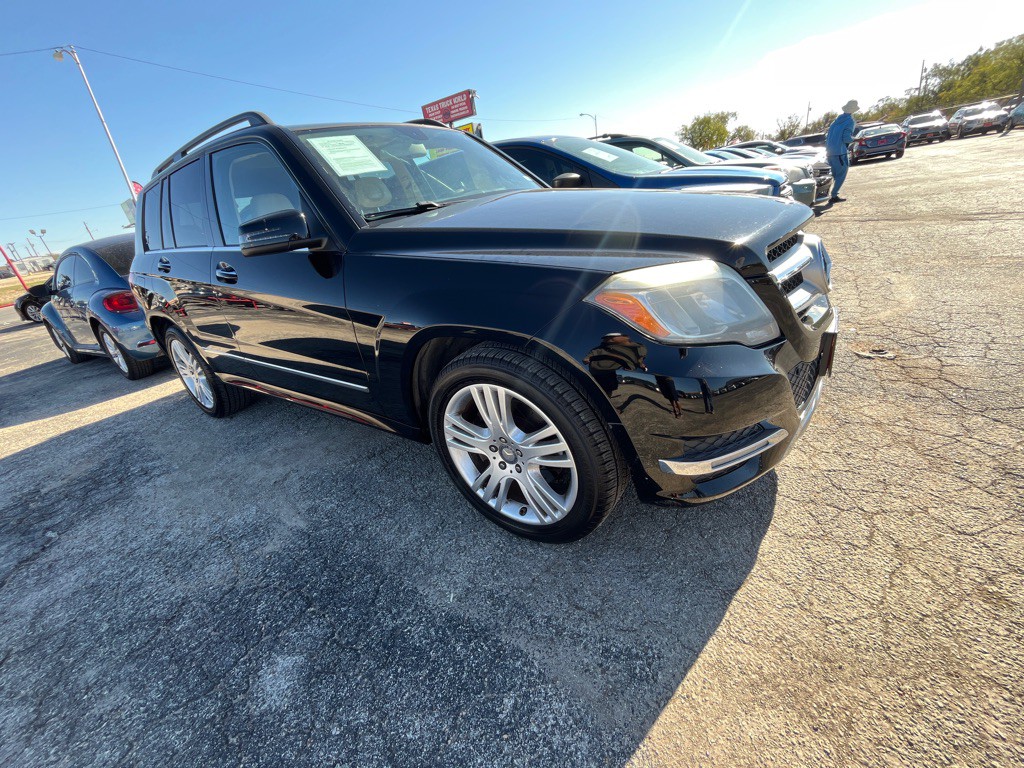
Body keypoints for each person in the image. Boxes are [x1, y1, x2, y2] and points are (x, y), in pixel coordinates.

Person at [825, 100, 858, 203]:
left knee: (834, 175)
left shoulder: (835, 122)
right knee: (841, 175)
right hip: (840, 152)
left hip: (830, 152)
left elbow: (828, 136)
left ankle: (829, 194)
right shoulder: (850, 121)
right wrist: (855, 139)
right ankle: (833, 195)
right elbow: (846, 138)